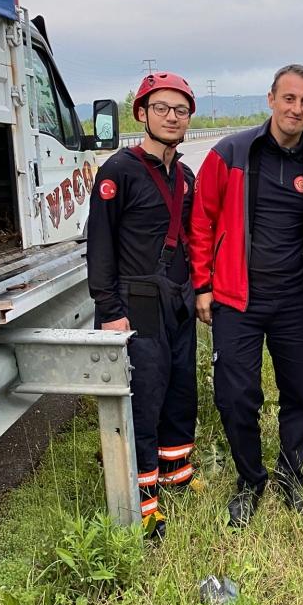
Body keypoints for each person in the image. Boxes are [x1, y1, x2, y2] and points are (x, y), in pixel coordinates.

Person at [189, 64, 303, 527]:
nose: (296, 109)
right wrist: (202, 284)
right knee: (235, 394)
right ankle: (250, 479)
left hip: (295, 302)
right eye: (289, 99)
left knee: (298, 395)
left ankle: (291, 474)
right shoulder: (231, 154)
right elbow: (201, 222)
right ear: (271, 99)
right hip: (236, 299)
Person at [87, 71, 199, 540]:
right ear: (142, 113)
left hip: (178, 301)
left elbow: (195, 239)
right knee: (144, 399)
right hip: (134, 304)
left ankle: (175, 475)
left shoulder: (186, 176)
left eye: (180, 110)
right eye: (162, 108)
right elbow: (100, 245)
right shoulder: (119, 171)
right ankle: (142, 500)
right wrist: (110, 309)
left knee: (180, 390)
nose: (172, 117)